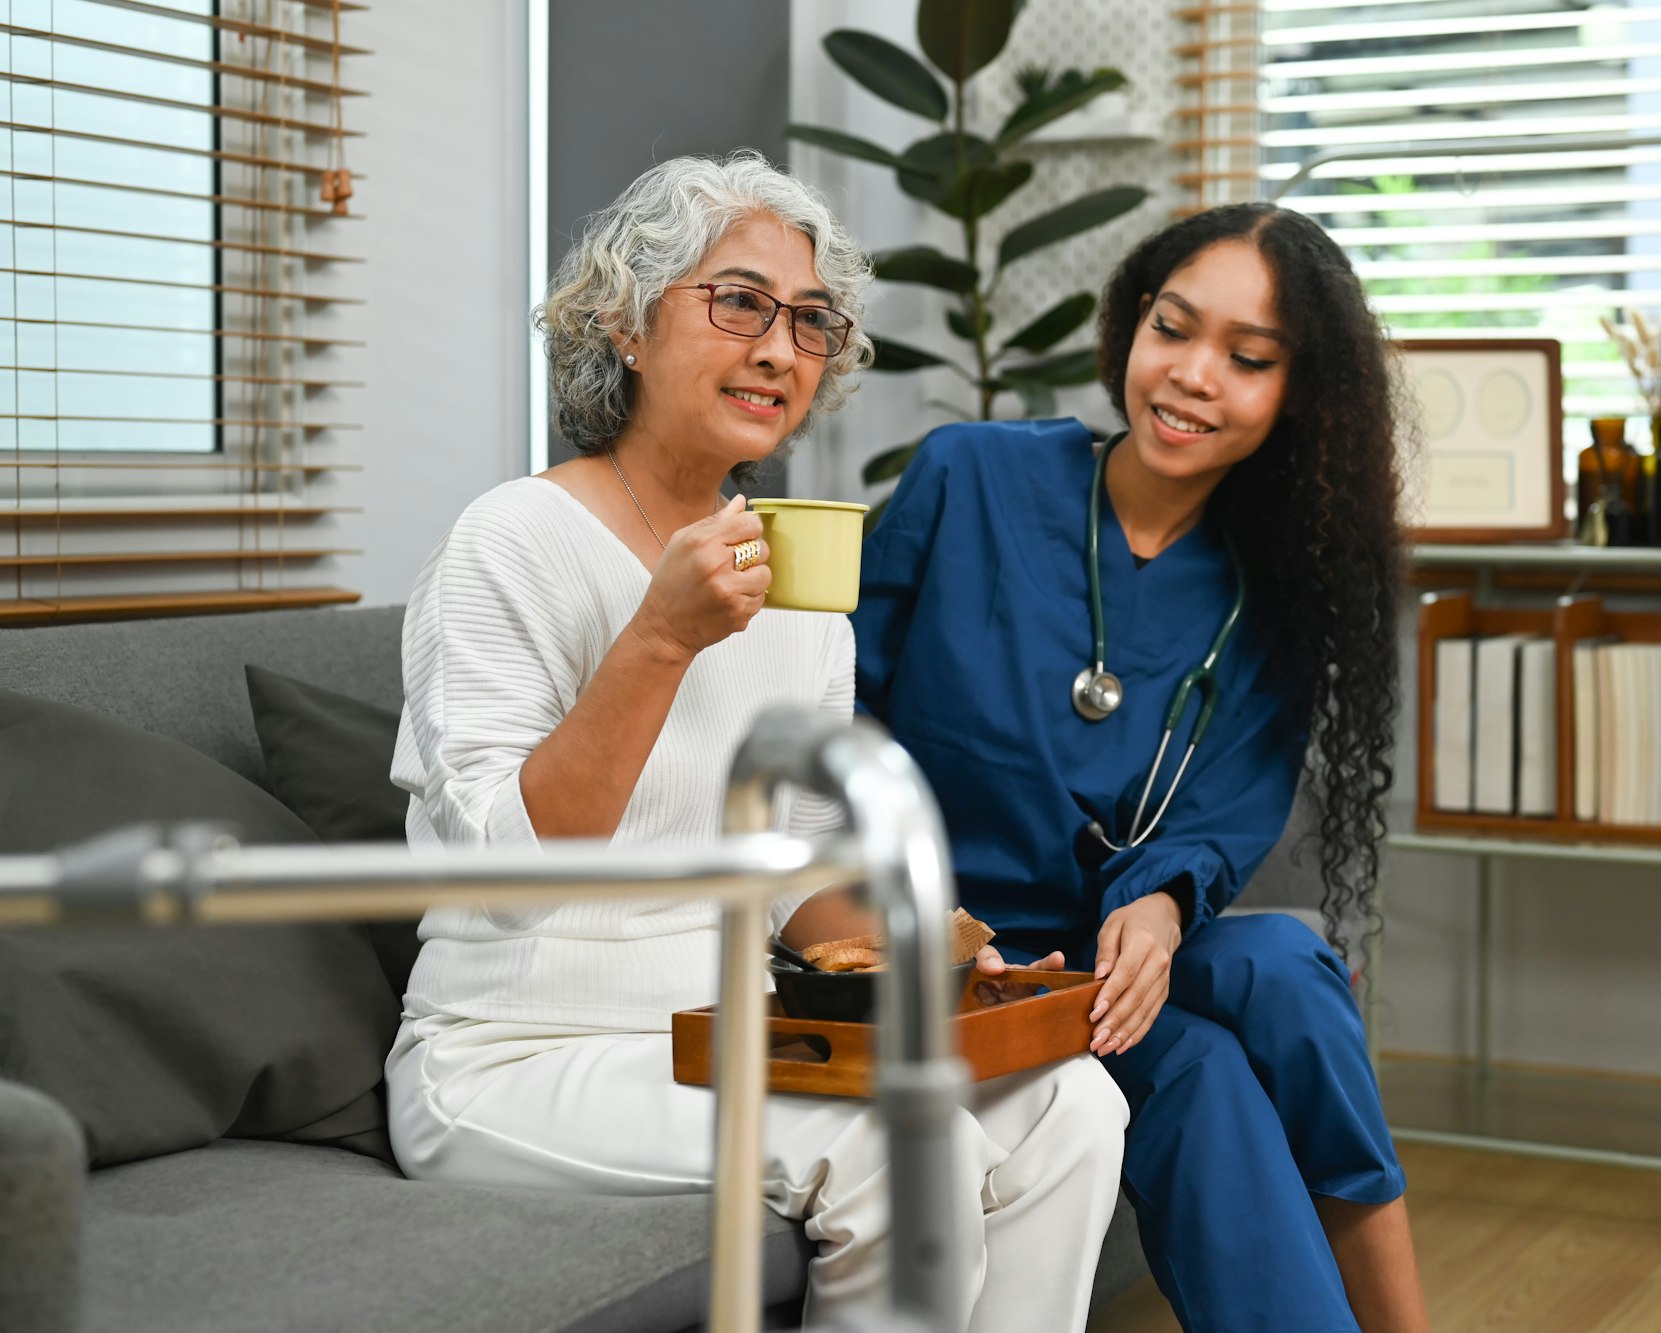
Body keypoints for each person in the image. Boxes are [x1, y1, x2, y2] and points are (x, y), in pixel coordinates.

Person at [382, 151, 1127, 1333]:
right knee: (903, 1144)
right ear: (625, 323)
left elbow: (798, 884)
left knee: (1072, 1103)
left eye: (812, 321)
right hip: (521, 1053)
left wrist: (931, 962)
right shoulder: (509, 539)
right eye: (737, 302)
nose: (780, 348)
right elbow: (506, 871)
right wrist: (657, 640)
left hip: (732, 1035)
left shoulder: (796, 583)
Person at [851, 202, 1430, 1332]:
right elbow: (835, 706)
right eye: (1174, 328)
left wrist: (1161, 909)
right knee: (1206, 1072)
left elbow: (1218, 817)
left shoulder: (1275, 593)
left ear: (1294, 397)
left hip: (1118, 953)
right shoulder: (966, 478)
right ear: (1129, 325)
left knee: (1284, 974)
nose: (1193, 376)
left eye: (1248, 359)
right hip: (957, 947)